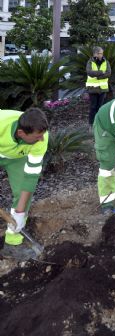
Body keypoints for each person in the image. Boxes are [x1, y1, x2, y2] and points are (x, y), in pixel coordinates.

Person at [0, 108, 49, 259]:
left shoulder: (42, 138)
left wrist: (20, 212)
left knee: (23, 191)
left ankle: (12, 243)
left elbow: (31, 177)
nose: (41, 139)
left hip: (15, 157)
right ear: (21, 133)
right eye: (37, 137)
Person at [86, 46, 111, 125]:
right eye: (100, 53)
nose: (102, 55)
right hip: (93, 89)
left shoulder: (106, 62)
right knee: (93, 107)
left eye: (102, 53)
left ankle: (99, 124)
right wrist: (101, 72)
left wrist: (98, 76)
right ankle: (91, 124)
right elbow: (89, 72)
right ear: (95, 54)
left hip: (103, 89)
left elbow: (108, 73)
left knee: (100, 107)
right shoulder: (90, 62)